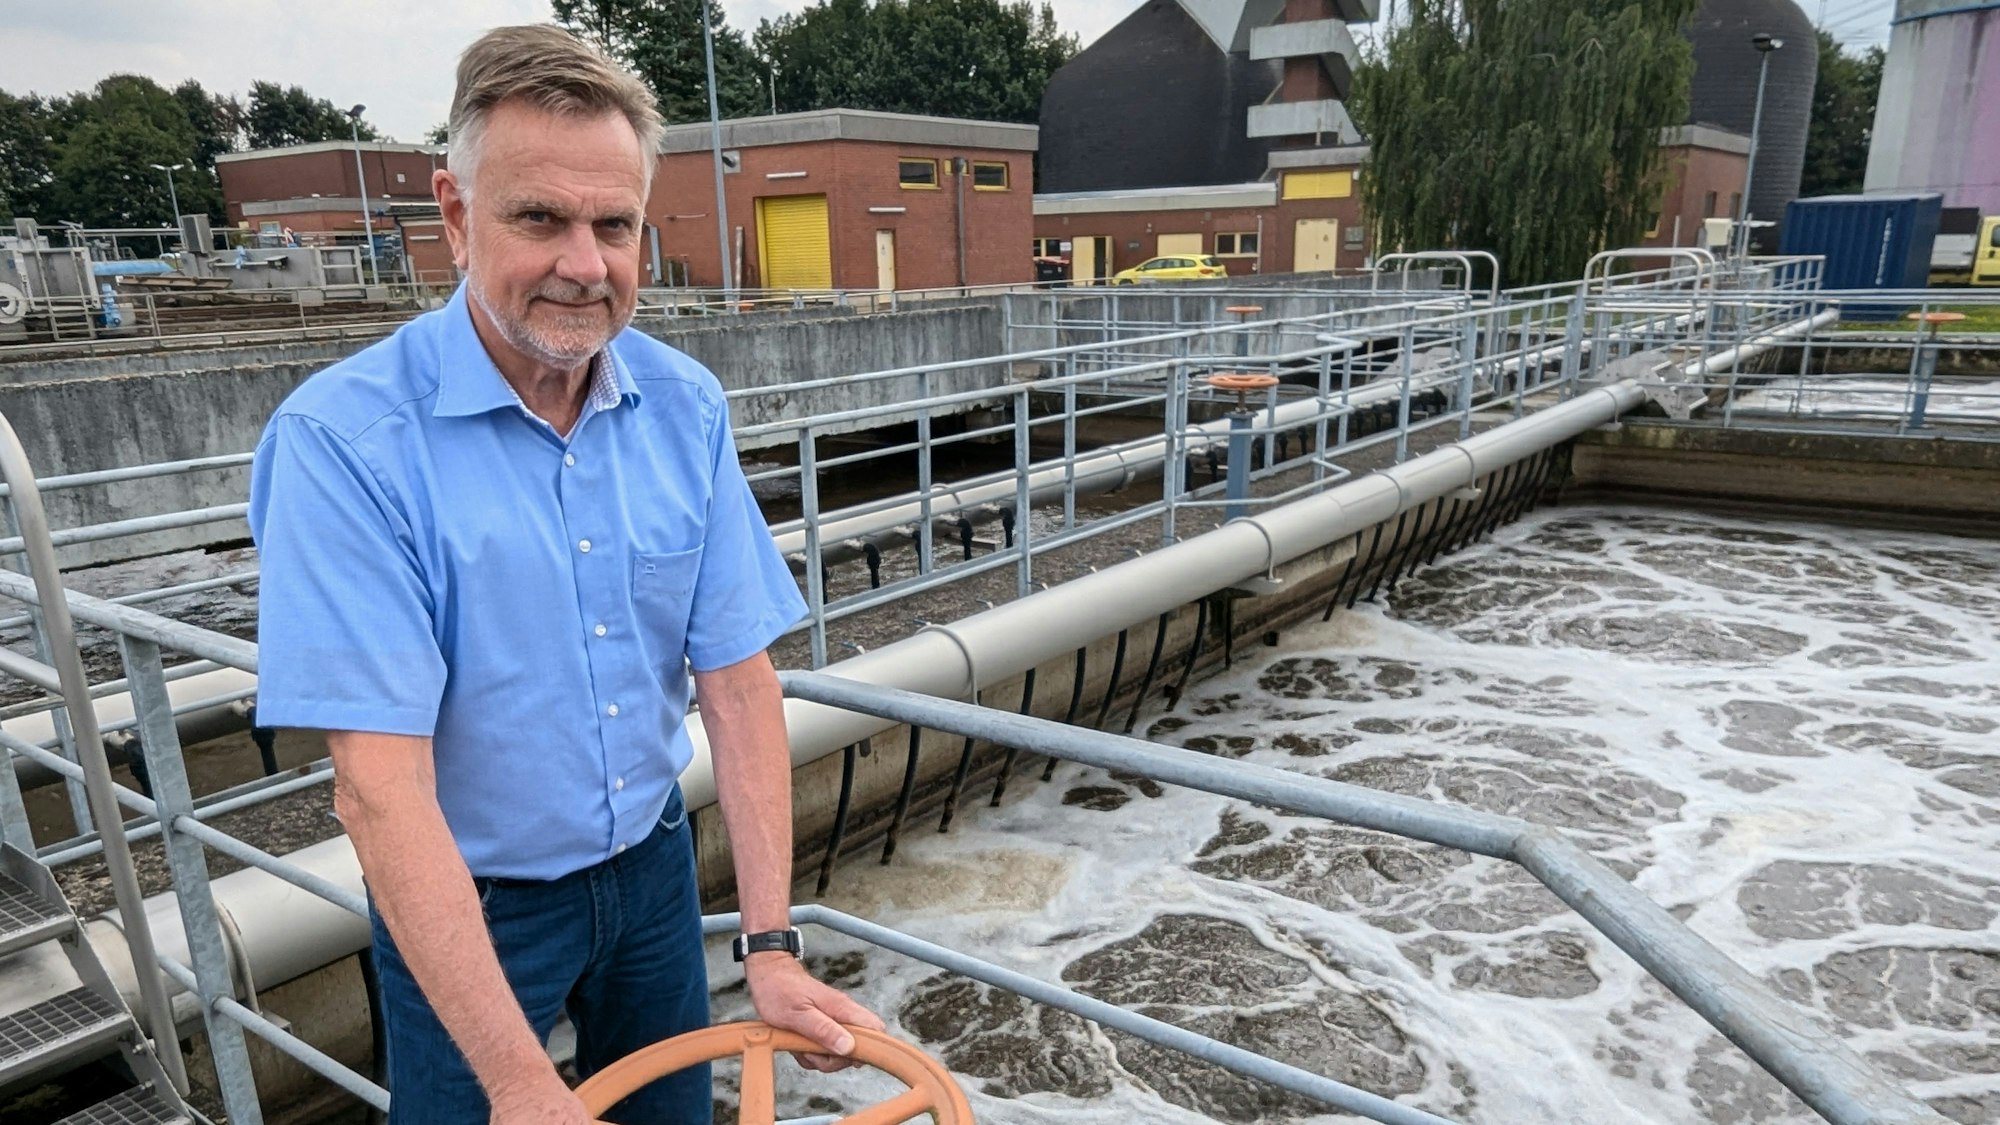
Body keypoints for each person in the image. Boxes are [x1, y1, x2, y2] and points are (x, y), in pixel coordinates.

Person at [248, 24, 880, 1125]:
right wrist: (514, 1081)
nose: (584, 265)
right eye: (539, 217)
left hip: (649, 876)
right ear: (454, 215)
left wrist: (770, 945)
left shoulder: (682, 406)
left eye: (614, 224)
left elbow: (737, 685)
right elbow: (376, 788)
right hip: (468, 900)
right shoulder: (343, 445)